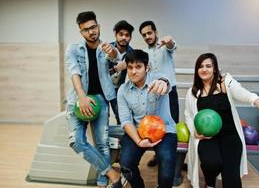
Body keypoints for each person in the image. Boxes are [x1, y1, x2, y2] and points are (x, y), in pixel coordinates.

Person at [184, 53, 259, 188]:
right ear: (197, 70)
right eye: (200, 66)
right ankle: (210, 183)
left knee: (231, 176)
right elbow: (188, 115)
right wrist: (194, 131)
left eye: (208, 66)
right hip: (207, 137)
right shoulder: (192, 92)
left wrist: (256, 100)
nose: (204, 69)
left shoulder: (225, 82)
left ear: (215, 69)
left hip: (230, 135)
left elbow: (241, 92)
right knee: (212, 163)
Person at [65, 11, 126, 188]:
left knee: (102, 144)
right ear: (81, 32)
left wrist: (114, 52)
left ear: (98, 26)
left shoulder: (106, 48)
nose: (91, 32)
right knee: (76, 141)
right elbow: (74, 72)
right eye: (86, 30)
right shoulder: (73, 49)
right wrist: (82, 97)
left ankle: (103, 181)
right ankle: (113, 174)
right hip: (77, 99)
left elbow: (119, 62)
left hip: (101, 99)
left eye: (93, 27)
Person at [117, 49, 177, 188]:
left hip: (165, 131)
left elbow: (165, 81)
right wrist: (138, 141)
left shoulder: (156, 79)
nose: (133, 71)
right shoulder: (123, 90)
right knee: (126, 164)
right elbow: (126, 121)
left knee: (167, 165)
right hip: (138, 131)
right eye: (130, 67)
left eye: (138, 67)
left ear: (146, 67)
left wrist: (163, 83)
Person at [139, 20, 179, 167]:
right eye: (144, 35)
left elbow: (172, 46)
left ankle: (173, 165)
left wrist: (169, 41)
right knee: (155, 126)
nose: (147, 36)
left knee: (171, 127)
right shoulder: (145, 54)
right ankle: (159, 155)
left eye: (149, 33)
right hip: (153, 94)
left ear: (156, 32)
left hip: (169, 92)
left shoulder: (165, 47)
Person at [108, 20, 134, 124]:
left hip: (119, 89)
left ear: (130, 37)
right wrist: (116, 69)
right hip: (103, 88)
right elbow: (99, 73)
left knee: (121, 117)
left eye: (127, 35)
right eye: (121, 34)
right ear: (115, 34)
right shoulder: (107, 48)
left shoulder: (132, 54)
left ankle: (121, 140)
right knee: (103, 118)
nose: (124, 37)